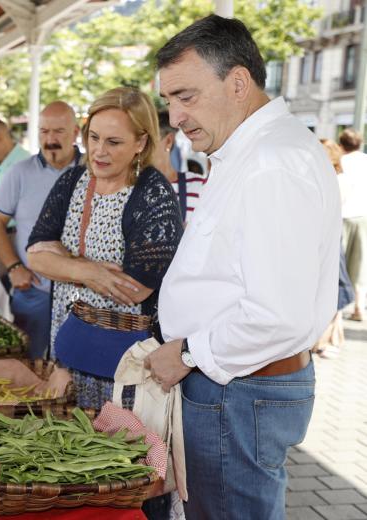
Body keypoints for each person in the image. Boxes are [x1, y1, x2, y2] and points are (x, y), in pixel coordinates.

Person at [147, 16, 340, 520]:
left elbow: (278, 314)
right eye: (169, 100)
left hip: (237, 390)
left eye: (185, 96)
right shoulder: (253, 151)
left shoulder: (271, 161)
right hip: (234, 387)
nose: (174, 117)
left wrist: (187, 353)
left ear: (238, 82)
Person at [26, 88, 182, 520]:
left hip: (125, 370)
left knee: (122, 479)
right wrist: (92, 271)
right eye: (94, 137)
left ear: (141, 143)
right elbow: (35, 253)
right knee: (64, 470)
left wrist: (66, 261)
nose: (99, 150)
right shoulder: (73, 180)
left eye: (113, 142)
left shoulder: (153, 194)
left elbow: (136, 288)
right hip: (68, 355)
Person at [0, 101, 82, 359]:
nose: (50, 139)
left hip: (83, 294)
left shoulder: (94, 172)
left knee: (73, 367)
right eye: (43, 131)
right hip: (34, 289)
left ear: (76, 132)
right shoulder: (19, 173)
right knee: (28, 363)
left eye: (59, 131)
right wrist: (14, 267)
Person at [314, 139, 354, 357]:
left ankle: (331, 340)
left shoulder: (334, 179)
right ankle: (332, 337)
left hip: (329, 233)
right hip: (327, 233)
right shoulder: (331, 177)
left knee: (334, 280)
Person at [152, 111, 205, 223]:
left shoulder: (199, 184)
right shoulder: (131, 189)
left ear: (168, 141)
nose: (140, 148)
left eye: (148, 142)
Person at [337, 128, 367, 321]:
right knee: (360, 265)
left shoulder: (341, 162)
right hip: (363, 216)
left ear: (342, 144)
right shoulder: (366, 161)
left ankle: (337, 314)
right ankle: (359, 308)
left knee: (340, 268)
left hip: (343, 217)